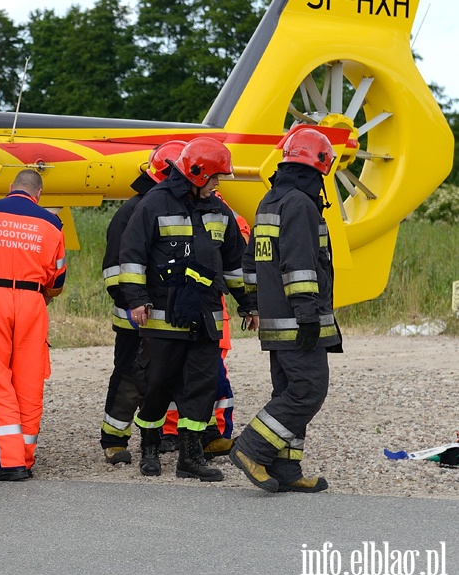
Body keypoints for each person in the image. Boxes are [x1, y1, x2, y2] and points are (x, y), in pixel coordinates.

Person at [119, 137, 258, 481]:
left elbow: (234, 265)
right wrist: (137, 300)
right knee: (156, 386)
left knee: (200, 387)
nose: (217, 184)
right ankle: (149, 449)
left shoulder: (219, 211)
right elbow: (132, 256)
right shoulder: (154, 204)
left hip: (205, 316)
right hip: (162, 317)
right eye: (214, 178)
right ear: (197, 173)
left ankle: (190, 458)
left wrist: (249, 304)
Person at [231, 126, 341, 493]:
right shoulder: (300, 205)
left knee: (289, 392)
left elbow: (251, 262)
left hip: (276, 320)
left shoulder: (269, 202)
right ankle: (252, 448)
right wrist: (307, 314)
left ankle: (287, 470)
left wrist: (254, 304)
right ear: (319, 167)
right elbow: (301, 265)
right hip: (298, 320)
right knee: (308, 390)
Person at [0, 169, 66, 481]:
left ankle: (8, 461)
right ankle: (25, 457)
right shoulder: (52, 223)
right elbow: (57, 281)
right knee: (29, 379)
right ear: (38, 194)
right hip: (33, 303)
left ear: (10, 188)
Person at [99, 141, 184, 466]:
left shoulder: (178, 207)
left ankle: (163, 436)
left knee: (169, 376)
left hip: (170, 316)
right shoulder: (132, 212)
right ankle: (114, 440)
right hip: (135, 318)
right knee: (131, 377)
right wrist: (133, 304)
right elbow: (113, 271)